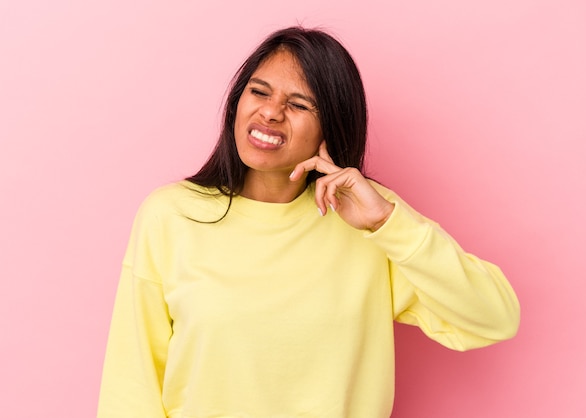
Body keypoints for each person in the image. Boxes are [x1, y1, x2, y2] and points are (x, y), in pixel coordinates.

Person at [97, 26, 520, 418]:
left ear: (330, 128)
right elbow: (131, 386)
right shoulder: (172, 216)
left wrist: (387, 223)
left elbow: (495, 317)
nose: (271, 113)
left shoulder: (370, 221)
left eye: (298, 104)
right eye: (259, 92)